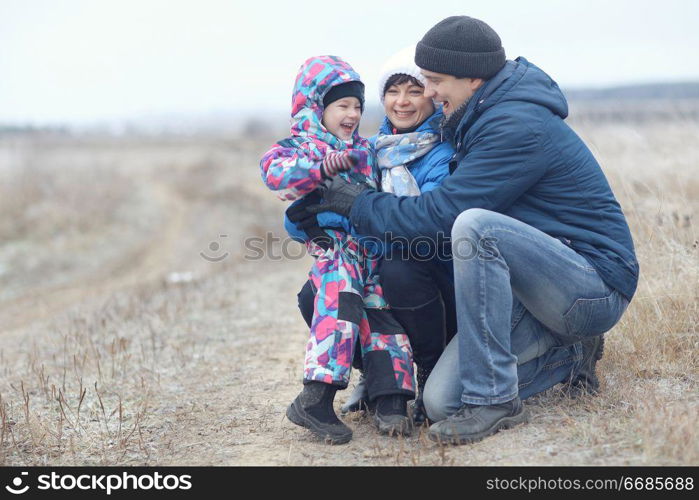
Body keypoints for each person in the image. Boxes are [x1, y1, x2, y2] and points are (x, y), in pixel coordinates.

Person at [303, 16, 639, 445]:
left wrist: (360, 202)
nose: (427, 93)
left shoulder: (516, 126)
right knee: (443, 403)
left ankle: (495, 401)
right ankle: (570, 355)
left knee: (475, 226)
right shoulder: (475, 117)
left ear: (474, 78)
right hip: (531, 287)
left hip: (590, 287)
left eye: (434, 81)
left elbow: (443, 215)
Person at [292, 46, 456, 426]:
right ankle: (379, 380)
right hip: (380, 259)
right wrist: (302, 218)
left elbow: (423, 226)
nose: (402, 102)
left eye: (414, 91)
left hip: (433, 274)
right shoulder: (370, 150)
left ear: (431, 95)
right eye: (393, 92)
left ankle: (430, 372)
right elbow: (318, 209)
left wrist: (358, 210)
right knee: (317, 292)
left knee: (397, 271)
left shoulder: (444, 154)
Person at [260, 55, 415, 445]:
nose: (352, 114)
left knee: (382, 313)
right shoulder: (300, 147)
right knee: (341, 306)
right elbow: (275, 174)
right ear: (316, 107)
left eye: (358, 107)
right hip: (336, 255)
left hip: (370, 252)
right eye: (342, 105)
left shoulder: (364, 150)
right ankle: (317, 395)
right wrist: (323, 167)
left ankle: (391, 397)